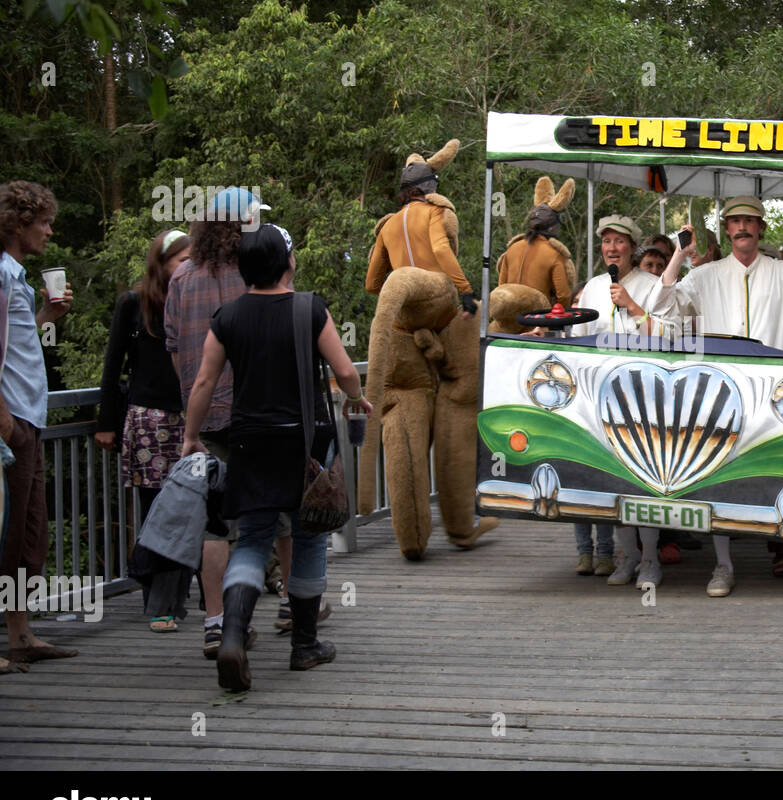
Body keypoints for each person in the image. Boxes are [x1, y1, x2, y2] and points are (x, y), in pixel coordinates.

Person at [182, 223, 372, 692]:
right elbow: (345, 369)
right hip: (303, 442)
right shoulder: (309, 308)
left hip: (249, 442)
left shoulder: (227, 317)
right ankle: (304, 646)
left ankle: (231, 636)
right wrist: (356, 398)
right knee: (307, 539)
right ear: (288, 263)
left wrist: (190, 436)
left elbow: (204, 383)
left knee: (250, 540)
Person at [650, 196, 783, 596]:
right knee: (718, 476)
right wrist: (679, 255)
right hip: (719, 389)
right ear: (726, 228)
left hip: (774, 391)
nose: (742, 228)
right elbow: (662, 307)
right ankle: (723, 566)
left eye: (749, 222)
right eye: (734, 221)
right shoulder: (706, 275)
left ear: (761, 228)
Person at [166, 187, 289, 658]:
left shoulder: (181, 278)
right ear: (241, 226)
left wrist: (190, 424)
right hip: (260, 413)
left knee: (214, 522)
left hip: (206, 417)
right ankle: (292, 608)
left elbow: (175, 348)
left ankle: (215, 622)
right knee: (277, 510)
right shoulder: (254, 277)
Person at [96, 229, 193, 632]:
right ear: (162, 262)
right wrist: (106, 422)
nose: (187, 266)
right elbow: (113, 362)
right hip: (149, 419)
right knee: (156, 510)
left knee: (189, 510)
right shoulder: (133, 304)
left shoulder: (192, 298)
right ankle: (156, 600)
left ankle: (176, 597)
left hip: (189, 417)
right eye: (180, 259)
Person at [0, 181, 76, 670]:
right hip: (12, 420)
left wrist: (47, 315)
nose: (49, 230)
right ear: (17, 224)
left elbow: (19, 339)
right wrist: (4, 420)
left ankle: (20, 632)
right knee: (8, 530)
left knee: (30, 529)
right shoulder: (2, 274)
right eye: (42, 222)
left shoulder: (16, 276)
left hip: (29, 415)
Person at [569, 215, 665, 588]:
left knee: (646, 483)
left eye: (619, 241)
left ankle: (652, 560)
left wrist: (634, 306)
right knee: (615, 484)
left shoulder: (653, 285)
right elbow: (579, 339)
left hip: (645, 397)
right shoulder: (592, 287)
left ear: (632, 247)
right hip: (601, 398)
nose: (612, 247)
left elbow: (671, 335)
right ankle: (625, 559)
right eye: (606, 241)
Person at [368, 145, 477, 318]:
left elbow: (371, 285)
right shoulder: (434, 212)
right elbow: (440, 249)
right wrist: (466, 291)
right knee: (473, 322)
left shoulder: (386, 225)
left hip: (405, 313)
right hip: (436, 304)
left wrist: (400, 295)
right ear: (429, 186)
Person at [496, 175, 577, 308]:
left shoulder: (512, 249)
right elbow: (564, 295)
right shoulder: (554, 254)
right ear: (554, 226)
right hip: (537, 322)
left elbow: (501, 286)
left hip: (508, 319)